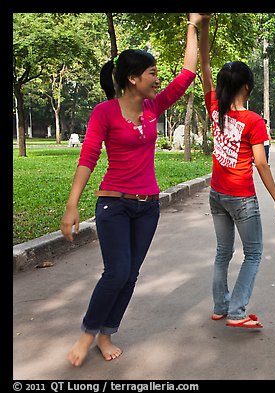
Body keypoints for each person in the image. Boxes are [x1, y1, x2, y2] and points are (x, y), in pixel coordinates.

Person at [59, 13, 203, 367]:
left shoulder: (154, 108)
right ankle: (88, 333)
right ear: (132, 78)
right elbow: (89, 157)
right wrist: (71, 205)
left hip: (148, 207)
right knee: (117, 272)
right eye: (152, 73)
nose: (158, 79)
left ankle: (107, 333)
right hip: (114, 205)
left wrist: (193, 25)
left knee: (131, 274)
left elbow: (187, 74)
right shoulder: (104, 112)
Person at [198, 14, 275, 328]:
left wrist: (203, 26)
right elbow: (261, 163)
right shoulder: (253, 121)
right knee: (253, 253)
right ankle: (236, 311)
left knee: (223, 250)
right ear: (248, 87)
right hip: (241, 197)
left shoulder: (214, 107)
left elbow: (205, 68)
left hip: (216, 194)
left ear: (223, 86)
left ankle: (221, 306)